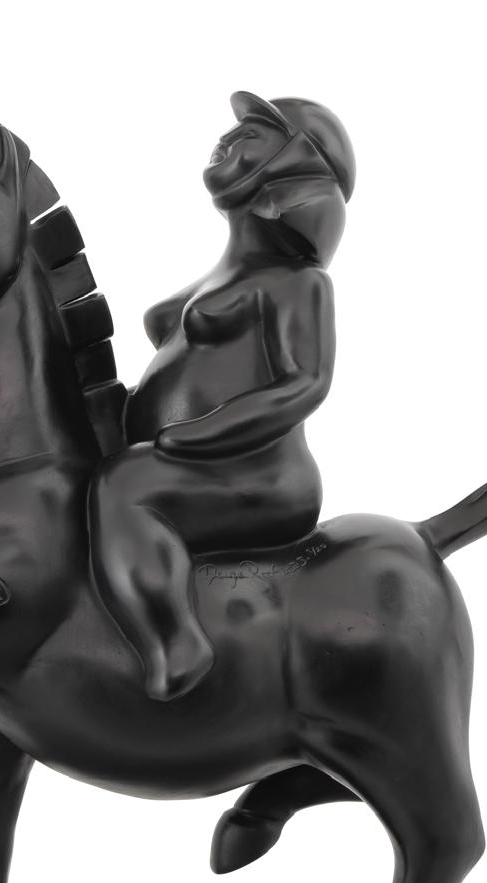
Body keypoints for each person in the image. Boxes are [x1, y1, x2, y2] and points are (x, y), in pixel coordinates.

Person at [89, 92, 354, 700]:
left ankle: (174, 642)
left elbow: (306, 383)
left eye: (253, 136)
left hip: (256, 475)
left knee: (123, 488)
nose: (230, 140)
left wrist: (204, 435)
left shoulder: (298, 284)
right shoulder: (219, 277)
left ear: (295, 169)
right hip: (181, 460)